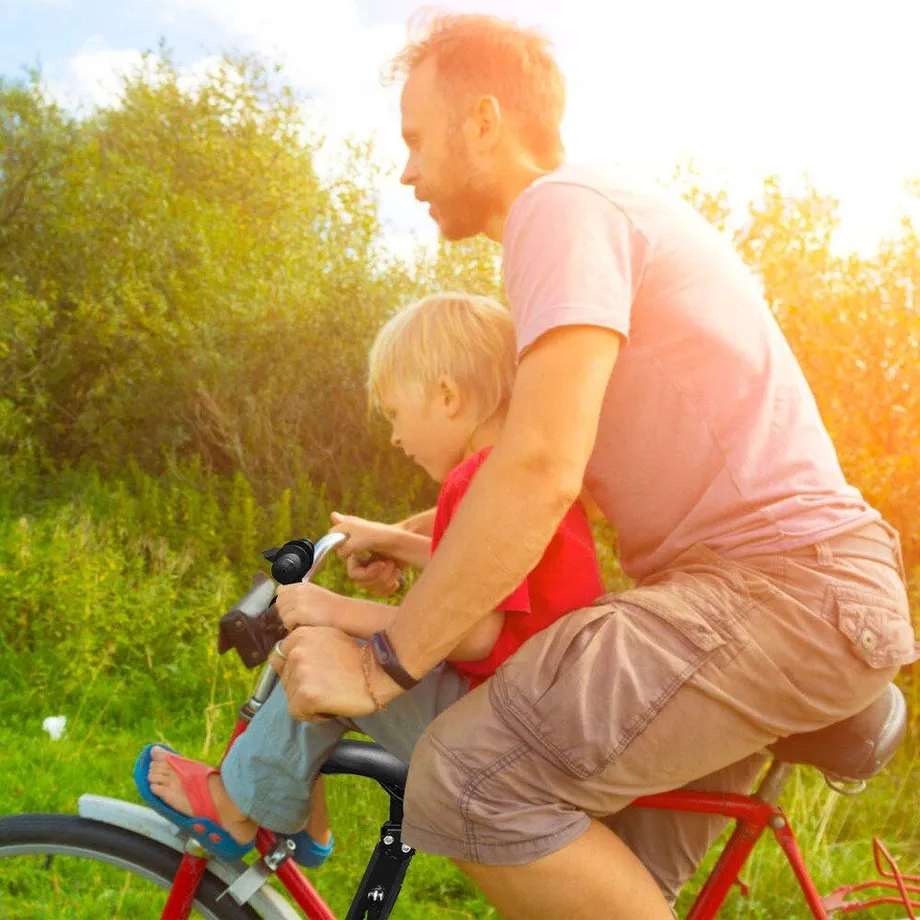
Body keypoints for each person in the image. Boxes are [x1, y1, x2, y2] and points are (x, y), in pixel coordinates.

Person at [266, 11, 920, 920]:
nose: (404, 168)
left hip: (783, 591)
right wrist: (416, 539)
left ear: (485, 122)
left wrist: (386, 662)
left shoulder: (560, 210)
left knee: (469, 777)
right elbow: (521, 459)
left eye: (415, 138)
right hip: (753, 595)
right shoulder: (580, 226)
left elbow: (539, 469)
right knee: (612, 878)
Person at [134, 292, 604, 864]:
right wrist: (387, 538)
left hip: (502, 730)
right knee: (329, 654)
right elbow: (480, 568)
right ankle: (297, 809)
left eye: (394, 414)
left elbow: (472, 630)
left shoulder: (476, 479)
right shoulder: (518, 474)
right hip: (541, 715)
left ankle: (236, 807)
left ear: (448, 398)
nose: (393, 438)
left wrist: (336, 609)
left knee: (324, 649)